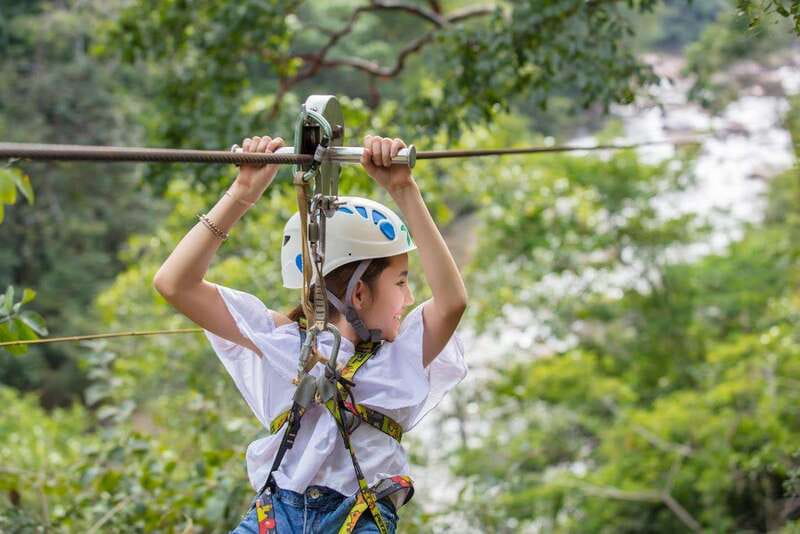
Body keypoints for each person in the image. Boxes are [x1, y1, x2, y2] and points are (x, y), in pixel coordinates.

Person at [153, 133, 468, 533]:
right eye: (401, 282)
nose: (409, 298)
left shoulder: (400, 356)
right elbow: (174, 284)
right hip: (275, 515)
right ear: (359, 292)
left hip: (357, 517)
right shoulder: (281, 342)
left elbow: (452, 302)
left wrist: (404, 190)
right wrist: (243, 192)